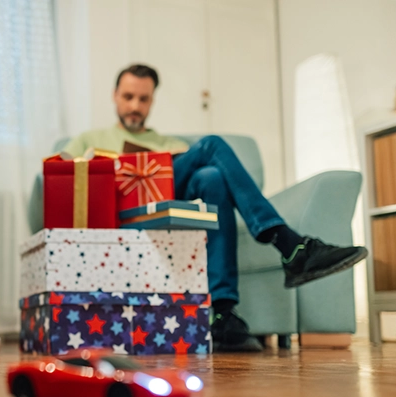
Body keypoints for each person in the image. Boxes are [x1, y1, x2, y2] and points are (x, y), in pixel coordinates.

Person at [64, 64, 368, 352]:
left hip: (162, 200)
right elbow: (60, 176)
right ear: (115, 96)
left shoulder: (166, 141)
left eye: (143, 99)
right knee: (211, 145)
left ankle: (221, 315)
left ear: (152, 101)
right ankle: (289, 245)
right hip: (120, 207)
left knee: (213, 178)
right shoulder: (89, 138)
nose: (135, 106)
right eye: (128, 97)